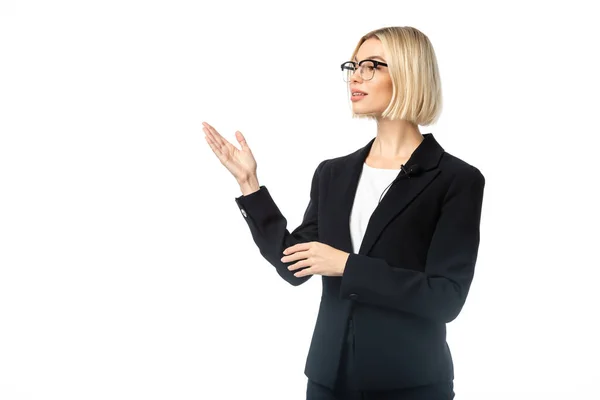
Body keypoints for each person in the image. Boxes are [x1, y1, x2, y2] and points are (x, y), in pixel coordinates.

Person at [203, 26, 485, 400]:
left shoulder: (456, 180)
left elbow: (446, 298)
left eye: (373, 66)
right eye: (354, 65)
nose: (356, 75)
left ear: (409, 73)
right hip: (328, 381)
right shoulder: (333, 173)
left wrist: (347, 266)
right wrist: (250, 184)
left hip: (410, 383)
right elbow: (293, 266)